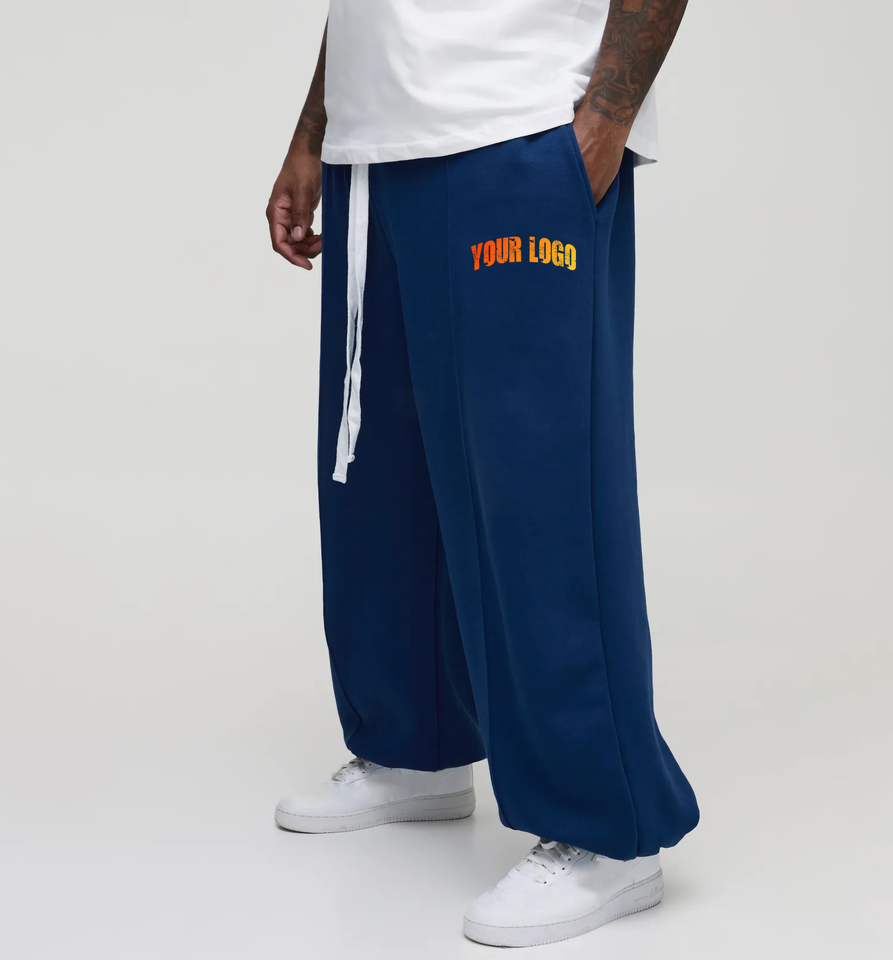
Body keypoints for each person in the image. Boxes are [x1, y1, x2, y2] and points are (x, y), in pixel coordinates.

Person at [265, 0, 697, 947]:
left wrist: (606, 118)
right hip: (376, 145)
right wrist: (316, 130)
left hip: (518, 124)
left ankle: (609, 829)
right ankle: (413, 747)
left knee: (540, 489)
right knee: (382, 477)